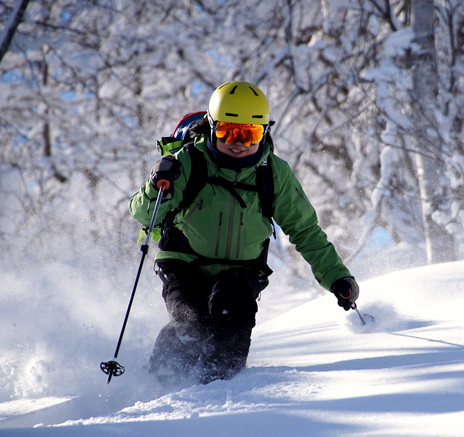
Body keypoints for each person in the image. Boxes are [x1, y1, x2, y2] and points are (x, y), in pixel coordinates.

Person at [130, 81, 359, 384]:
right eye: (228, 132)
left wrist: (336, 276)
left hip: (242, 269)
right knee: (190, 322)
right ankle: (159, 384)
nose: (238, 142)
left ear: (264, 132)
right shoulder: (187, 162)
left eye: (249, 134)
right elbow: (143, 213)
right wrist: (158, 180)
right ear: (212, 128)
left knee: (232, 317)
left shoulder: (273, 172)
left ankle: (218, 387)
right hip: (183, 263)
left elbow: (305, 230)